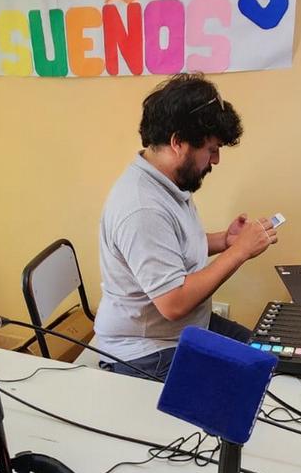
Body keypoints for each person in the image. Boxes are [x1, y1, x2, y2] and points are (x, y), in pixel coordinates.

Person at [95, 73, 278, 381]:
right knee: (259, 385)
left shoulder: (167, 181)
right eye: (211, 149)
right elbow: (174, 303)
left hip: (186, 330)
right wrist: (240, 252)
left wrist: (225, 240)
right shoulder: (142, 208)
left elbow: (171, 246)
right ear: (178, 142)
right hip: (148, 352)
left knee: (275, 360)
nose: (216, 160)